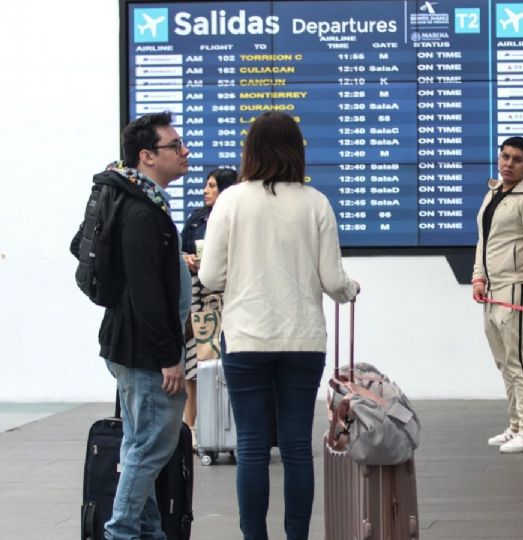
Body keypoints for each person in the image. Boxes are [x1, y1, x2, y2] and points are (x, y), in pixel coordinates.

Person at [199, 111, 359, 540]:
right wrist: (350, 288)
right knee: (295, 449)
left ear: (250, 150)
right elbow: (333, 282)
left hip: (247, 337)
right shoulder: (316, 203)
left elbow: (211, 277)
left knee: (251, 446)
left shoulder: (230, 201)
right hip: (303, 339)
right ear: (296, 151)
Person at [99, 111, 193, 538]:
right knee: (149, 448)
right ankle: (121, 532)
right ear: (146, 157)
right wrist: (169, 358)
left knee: (142, 447)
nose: (184, 151)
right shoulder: (141, 212)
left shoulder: (142, 203)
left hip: (135, 348)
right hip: (146, 353)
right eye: (174, 145)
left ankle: (148, 531)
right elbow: (147, 295)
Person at [471, 136, 523, 454]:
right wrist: (478, 277)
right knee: (504, 362)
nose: (508, 163)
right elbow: (484, 240)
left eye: (517, 159)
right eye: (504, 156)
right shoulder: (494, 194)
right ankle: (516, 425)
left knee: (519, 362)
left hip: (518, 287)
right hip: (493, 290)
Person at [180, 167, 237, 447]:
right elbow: (179, 249)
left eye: (212, 186)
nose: (205, 190)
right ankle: (190, 428)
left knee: (225, 363)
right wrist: (186, 258)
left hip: (228, 295)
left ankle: (228, 429)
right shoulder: (195, 219)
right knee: (194, 362)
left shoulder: (237, 218)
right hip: (198, 297)